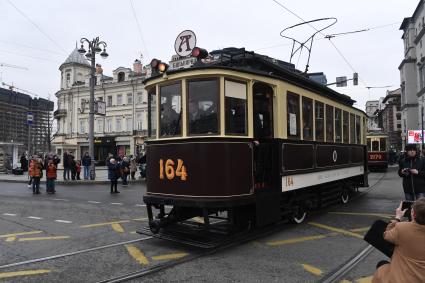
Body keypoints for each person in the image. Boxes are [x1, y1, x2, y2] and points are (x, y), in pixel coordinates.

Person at [372, 198, 425, 283]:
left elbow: (386, 235)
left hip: (402, 279)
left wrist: (397, 218)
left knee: (381, 267)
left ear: (414, 214)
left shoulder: (402, 228)